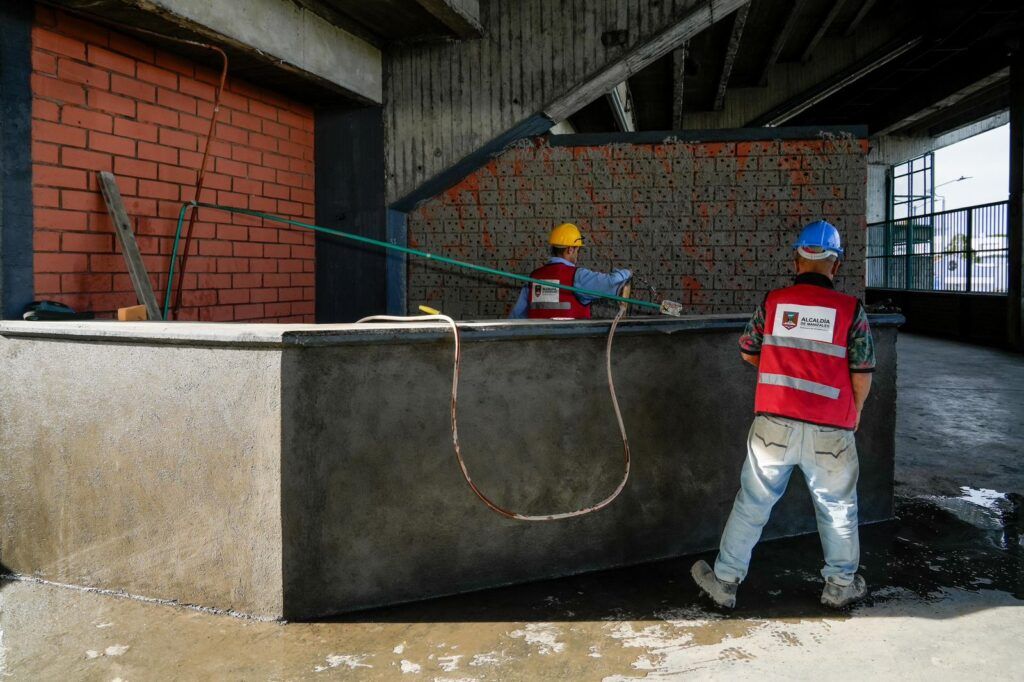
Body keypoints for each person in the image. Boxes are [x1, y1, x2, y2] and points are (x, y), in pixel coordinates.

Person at [691, 220, 876, 609]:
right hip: (831, 429)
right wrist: (854, 411)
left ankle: (724, 581)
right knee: (837, 507)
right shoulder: (850, 310)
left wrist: (782, 363)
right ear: (836, 265)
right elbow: (862, 371)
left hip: (772, 424)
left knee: (753, 503)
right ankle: (840, 586)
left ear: (797, 259)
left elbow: (747, 349)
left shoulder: (773, 303)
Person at [509, 223, 631, 319]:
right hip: (573, 346)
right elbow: (612, 283)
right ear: (570, 250)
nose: (578, 255)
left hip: (536, 347)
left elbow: (515, 317)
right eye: (577, 250)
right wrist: (627, 273)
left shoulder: (533, 277)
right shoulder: (578, 277)